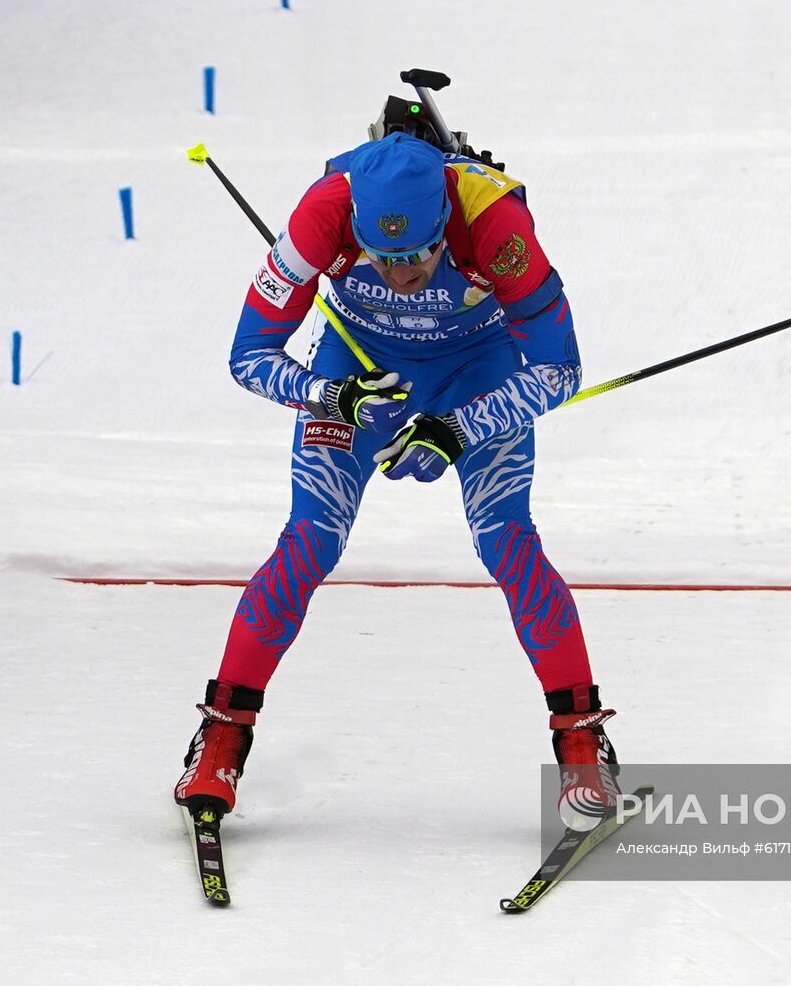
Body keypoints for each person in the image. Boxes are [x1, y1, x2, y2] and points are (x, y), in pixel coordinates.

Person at [173, 131, 621, 831]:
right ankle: (221, 738)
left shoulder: (493, 220)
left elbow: (559, 369)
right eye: (384, 259)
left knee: (508, 543)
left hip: (480, 371)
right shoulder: (321, 214)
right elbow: (248, 355)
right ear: (356, 229)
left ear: (446, 225)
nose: (402, 274)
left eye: (418, 255)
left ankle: (582, 742)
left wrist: (458, 428)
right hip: (360, 367)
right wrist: (330, 395)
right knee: (308, 542)